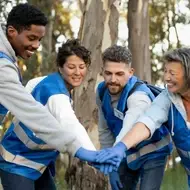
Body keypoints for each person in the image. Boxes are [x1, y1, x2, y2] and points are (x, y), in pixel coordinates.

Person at [0, 3, 100, 190]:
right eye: (31, 38)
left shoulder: (34, 76)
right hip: (17, 162)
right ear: (12, 31)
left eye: (40, 39)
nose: (36, 45)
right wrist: (89, 154)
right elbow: (65, 122)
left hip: (37, 165)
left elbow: (26, 94)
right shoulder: (4, 66)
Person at [96, 47, 190, 188]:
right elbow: (147, 121)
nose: (166, 78)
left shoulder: (138, 96)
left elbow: (132, 118)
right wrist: (120, 147)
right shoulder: (168, 98)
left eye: (172, 73)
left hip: (154, 153)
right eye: (165, 71)